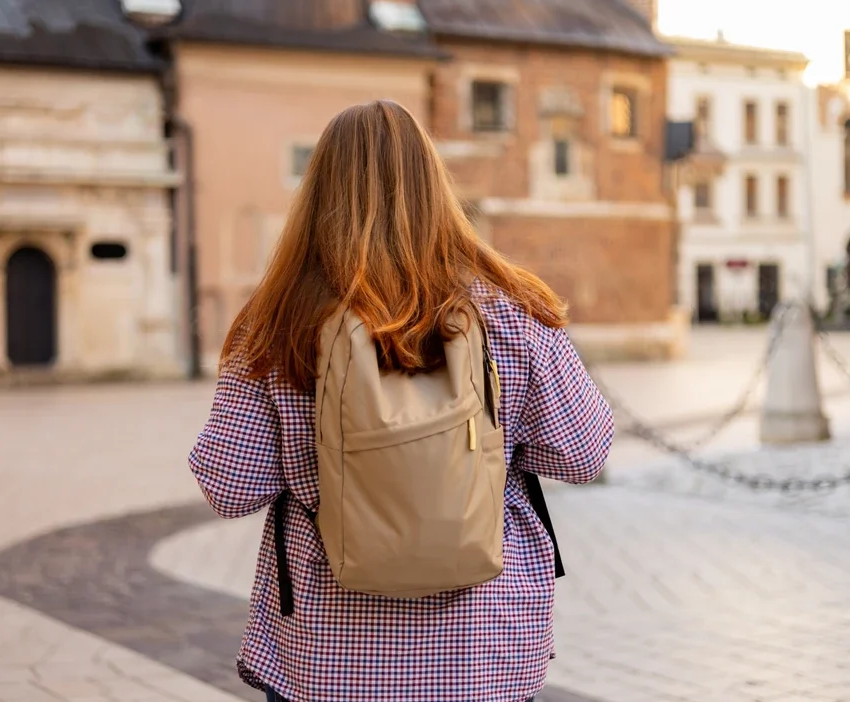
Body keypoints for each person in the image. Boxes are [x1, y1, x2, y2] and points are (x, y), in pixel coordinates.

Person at [189, 100, 614, 702]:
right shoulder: (510, 313)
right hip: (483, 652)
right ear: (433, 185)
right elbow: (585, 454)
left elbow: (229, 487)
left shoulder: (277, 325)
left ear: (316, 194)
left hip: (329, 653)